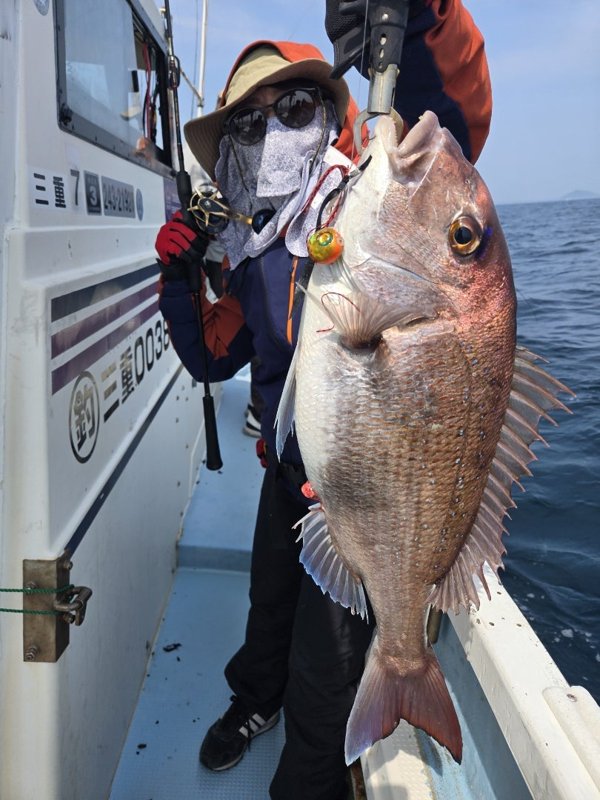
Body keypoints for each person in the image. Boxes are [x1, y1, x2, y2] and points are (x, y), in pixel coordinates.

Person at [155, 3, 491, 798]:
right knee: (265, 604)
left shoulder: (371, 200)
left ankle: (311, 777)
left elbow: (456, 119)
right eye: (249, 125)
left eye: (295, 108)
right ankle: (250, 702)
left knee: (327, 660)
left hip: (360, 489)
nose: (273, 132)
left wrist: (425, 17)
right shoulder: (257, 247)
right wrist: (175, 279)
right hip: (287, 474)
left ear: (334, 117)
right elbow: (212, 355)